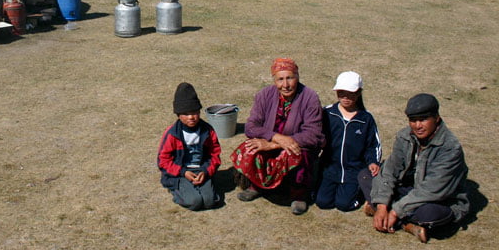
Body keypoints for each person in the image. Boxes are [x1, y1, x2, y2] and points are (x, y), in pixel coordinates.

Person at [363, 93, 469, 243]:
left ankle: (397, 218)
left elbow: (432, 190)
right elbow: (390, 169)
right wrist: (381, 205)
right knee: (366, 174)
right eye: (413, 120)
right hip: (408, 189)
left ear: (436, 118)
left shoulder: (450, 148)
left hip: (437, 199)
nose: (417, 125)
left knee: (428, 214)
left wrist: (394, 212)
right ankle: (405, 223)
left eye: (423, 119)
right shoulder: (404, 136)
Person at [230, 58, 324, 215]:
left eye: (290, 78)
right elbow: (251, 127)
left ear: (297, 77)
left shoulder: (310, 97)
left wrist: (276, 144)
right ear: (274, 80)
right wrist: (276, 138)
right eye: (280, 79)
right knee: (249, 148)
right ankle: (256, 185)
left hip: (296, 146)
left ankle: (298, 195)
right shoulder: (264, 95)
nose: (285, 85)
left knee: (297, 153)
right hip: (272, 141)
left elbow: (313, 135)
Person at [315, 71, 381, 212]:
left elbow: (373, 145)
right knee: (322, 202)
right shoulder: (328, 113)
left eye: (350, 93)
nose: (345, 97)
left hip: (353, 170)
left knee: (344, 204)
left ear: (358, 93)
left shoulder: (366, 118)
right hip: (330, 168)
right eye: (341, 92)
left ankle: (361, 193)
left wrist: (372, 161)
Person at [157, 82, 222, 210]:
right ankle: (176, 189)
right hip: (180, 172)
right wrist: (183, 172)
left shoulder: (207, 131)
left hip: (201, 169)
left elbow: (215, 154)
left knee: (210, 202)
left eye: (195, 112)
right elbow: (162, 160)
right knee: (195, 202)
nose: (191, 117)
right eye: (186, 114)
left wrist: (206, 171)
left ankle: (202, 186)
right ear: (178, 114)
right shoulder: (172, 134)